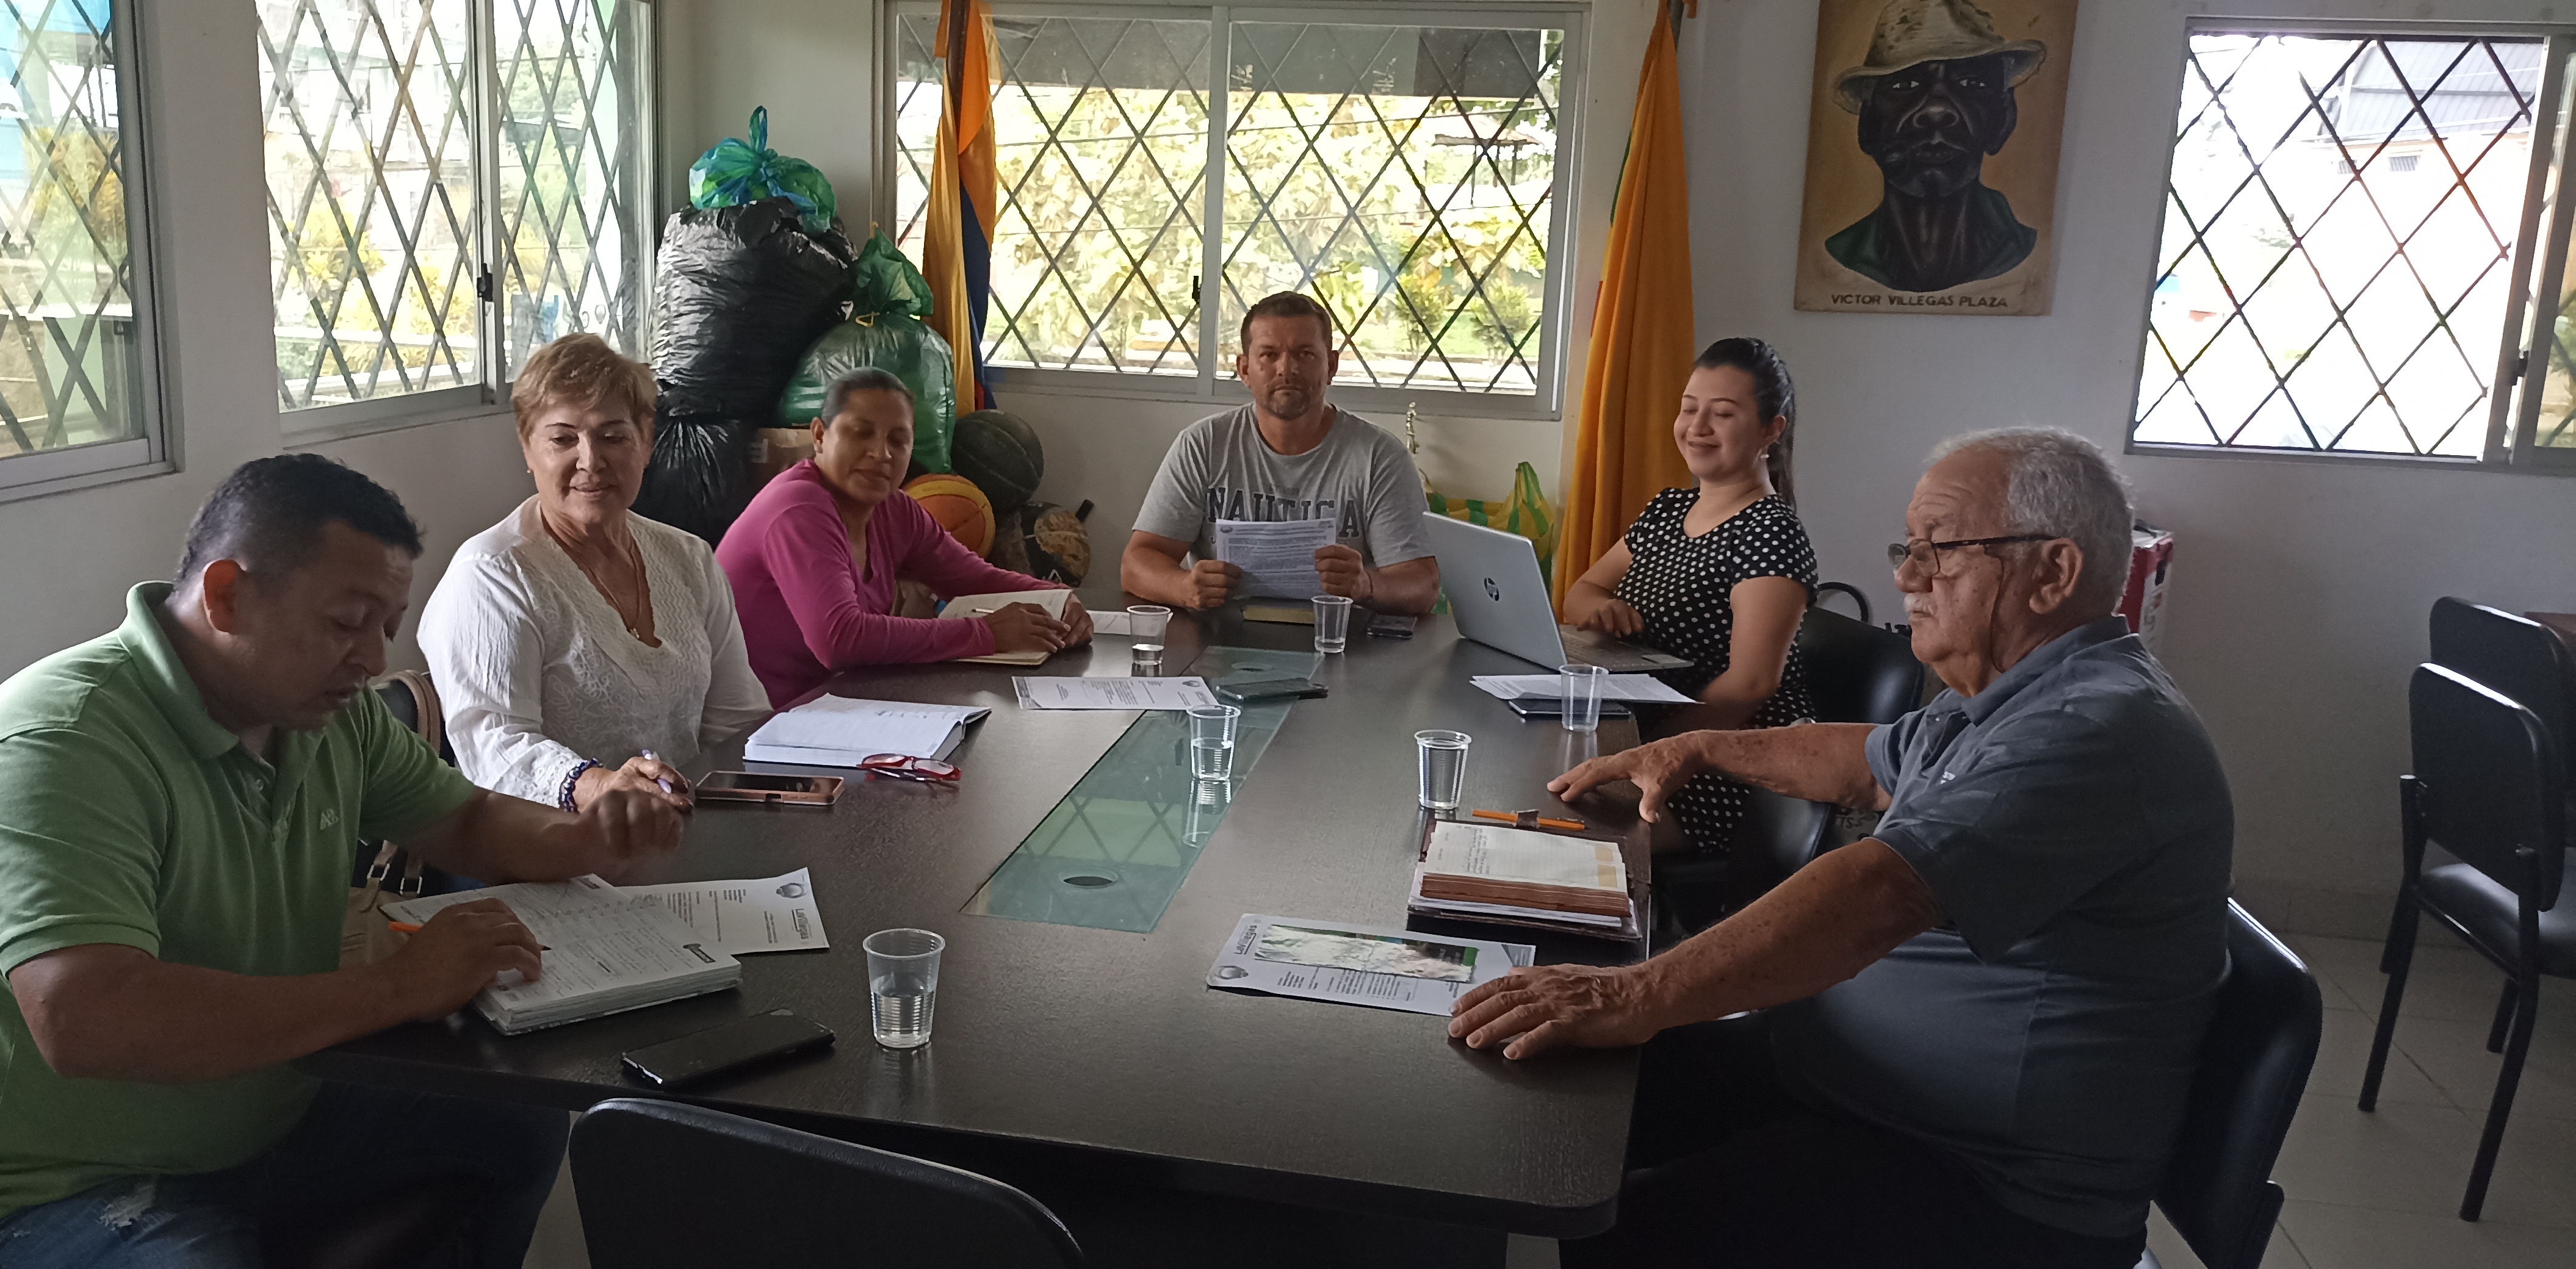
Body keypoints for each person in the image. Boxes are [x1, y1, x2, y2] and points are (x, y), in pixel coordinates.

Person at [0, 455, 687, 1268]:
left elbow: (466, 819)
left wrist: (585, 837)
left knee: (517, 1120)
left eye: (386, 626)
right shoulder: (56, 748)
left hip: (267, 1118)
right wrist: (399, 986)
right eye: (345, 623)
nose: (371, 659)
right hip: (51, 1186)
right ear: (227, 595)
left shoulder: (325, 717)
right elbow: (85, 1018)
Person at [1454, 430, 2229, 1269]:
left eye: (1941, 551)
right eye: (1910, 548)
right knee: (1547, 1098)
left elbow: (1879, 892)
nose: (1907, 577)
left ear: (2053, 573)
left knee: (1622, 1228)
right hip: (1848, 1082)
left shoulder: (2093, 729)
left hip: (1980, 1180)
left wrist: (1633, 990)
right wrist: (1700, 748)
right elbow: (1864, 760)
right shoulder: (2006, 693)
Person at [419, 333, 770, 813]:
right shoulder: (492, 576)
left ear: (645, 442)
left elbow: (736, 720)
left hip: (684, 828)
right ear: (527, 449)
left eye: (613, 437)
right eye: (563, 439)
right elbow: (495, 749)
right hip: (552, 841)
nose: (591, 461)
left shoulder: (687, 558)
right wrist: (601, 787)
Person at [1559, 337, 1816, 855]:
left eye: (1722, 414)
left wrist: (1652, 751)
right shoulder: (1667, 510)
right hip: (1638, 734)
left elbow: (1751, 684)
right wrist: (1603, 609)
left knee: (1559, 837)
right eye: (1689, 408)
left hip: (1719, 762)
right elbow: (1581, 593)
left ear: (1771, 430)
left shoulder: (1771, 532)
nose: (1697, 427)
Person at [718, 367, 1089, 709]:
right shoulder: (798, 508)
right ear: (819, 436)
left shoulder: (894, 510)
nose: (881, 453)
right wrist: (985, 633)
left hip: (835, 704)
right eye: (861, 432)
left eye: (898, 440)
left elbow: (975, 579)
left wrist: (1058, 599)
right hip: (760, 727)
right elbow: (840, 640)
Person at [1122, 291, 1437, 613]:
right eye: (1269, 355)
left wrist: (1366, 585)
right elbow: (1137, 562)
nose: (1287, 369)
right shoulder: (1203, 446)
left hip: (1340, 635)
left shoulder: (1379, 458)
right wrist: (1183, 587)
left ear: (1331, 366)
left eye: (1305, 354)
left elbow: (1423, 585)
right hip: (1221, 635)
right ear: (1245, 370)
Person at [1824, 0, 2050, 292]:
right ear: (1868, 125)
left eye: (1971, 83)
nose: (1936, 110)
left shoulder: (2023, 249)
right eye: (1904, 85)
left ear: (2003, 119)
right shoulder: (1842, 252)